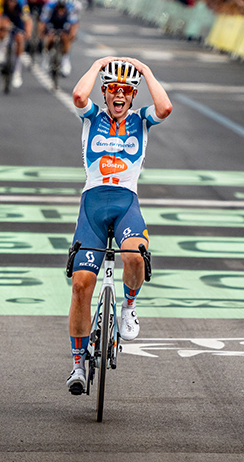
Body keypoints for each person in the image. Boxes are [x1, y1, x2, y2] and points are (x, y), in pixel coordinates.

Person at [65, 57, 173, 395]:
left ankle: (129, 307)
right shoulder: (93, 115)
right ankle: (78, 364)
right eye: (113, 90)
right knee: (82, 285)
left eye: (126, 90)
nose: (120, 96)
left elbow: (166, 107)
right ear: (106, 91)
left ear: (133, 94)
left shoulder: (141, 120)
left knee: (136, 257)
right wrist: (97, 65)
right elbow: (78, 97)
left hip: (126, 202)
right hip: (93, 204)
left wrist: (148, 73)